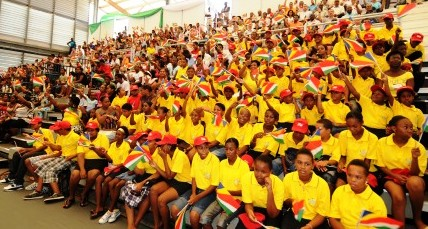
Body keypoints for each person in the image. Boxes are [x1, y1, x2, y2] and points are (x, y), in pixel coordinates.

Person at [375, 116, 427, 229]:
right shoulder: (382, 142)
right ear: (394, 128)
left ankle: (417, 220)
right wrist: (395, 176)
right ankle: (400, 226)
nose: (410, 130)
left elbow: (416, 173)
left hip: (411, 176)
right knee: (398, 197)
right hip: (389, 175)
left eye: (411, 127)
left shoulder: (418, 146)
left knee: (415, 183)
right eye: (406, 127)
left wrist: (415, 158)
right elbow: (380, 165)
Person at [170, 136, 220, 229]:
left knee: (193, 215)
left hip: (209, 192)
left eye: (206, 147)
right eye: (201, 148)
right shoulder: (196, 157)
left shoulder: (214, 160)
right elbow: (193, 177)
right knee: (174, 209)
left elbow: (213, 185)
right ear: (196, 149)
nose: (204, 151)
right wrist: (193, 193)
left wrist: (196, 197)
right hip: (196, 189)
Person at [23, 121, 80, 202]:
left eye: (58, 130)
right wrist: (49, 143)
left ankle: (57, 193)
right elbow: (57, 148)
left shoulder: (75, 137)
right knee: (41, 166)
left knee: (50, 170)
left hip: (71, 160)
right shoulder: (61, 136)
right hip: (62, 157)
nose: (56, 131)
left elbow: (82, 151)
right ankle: (39, 190)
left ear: (63, 129)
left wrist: (72, 156)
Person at [200, 138, 250, 228]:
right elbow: (217, 183)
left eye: (231, 149)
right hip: (221, 198)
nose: (228, 152)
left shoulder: (244, 166)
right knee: (204, 219)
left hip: (236, 201)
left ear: (237, 150)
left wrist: (227, 194)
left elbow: (245, 191)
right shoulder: (222, 163)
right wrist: (221, 195)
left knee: (221, 223)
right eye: (226, 149)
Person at [62, 122, 110, 209]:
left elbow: (103, 155)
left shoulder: (103, 138)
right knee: (74, 174)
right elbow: (80, 154)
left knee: (93, 174)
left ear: (97, 131)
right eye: (88, 130)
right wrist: (82, 169)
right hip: (85, 161)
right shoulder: (83, 138)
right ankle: (71, 197)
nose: (90, 132)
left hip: (99, 161)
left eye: (92, 130)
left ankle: (84, 193)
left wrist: (94, 149)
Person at [329, 159, 387, 229]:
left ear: (367, 179)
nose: (353, 179)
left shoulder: (377, 202)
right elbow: (333, 218)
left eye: (358, 177)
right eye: (349, 175)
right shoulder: (339, 191)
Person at [282, 149, 330, 229]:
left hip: (315, 220)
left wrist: (309, 226)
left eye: (307, 164)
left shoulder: (322, 185)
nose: (302, 167)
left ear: (312, 165)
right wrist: (292, 201)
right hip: (296, 215)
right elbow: (284, 200)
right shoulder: (288, 178)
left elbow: (322, 214)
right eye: (299, 162)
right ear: (295, 163)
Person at [2, 117, 54, 191]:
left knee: (25, 157)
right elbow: (36, 147)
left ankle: (18, 183)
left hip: (47, 151)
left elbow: (45, 146)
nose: (32, 125)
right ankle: (11, 177)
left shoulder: (46, 131)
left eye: (34, 124)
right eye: (31, 124)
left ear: (40, 124)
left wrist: (31, 152)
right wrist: (26, 149)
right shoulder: (35, 133)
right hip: (39, 150)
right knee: (17, 153)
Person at [92, 126, 130, 222]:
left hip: (120, 168)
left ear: (124, 136)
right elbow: (110, 159)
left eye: (119, 134)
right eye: (116, 134)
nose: (117, 136)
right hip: (112, 168)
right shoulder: (112, 145)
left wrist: (114, 168)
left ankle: (106, 206)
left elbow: (124, 164)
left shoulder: (126, 146)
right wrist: (105, 153)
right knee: (98, 179)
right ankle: (99, 205)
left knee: (107, 181)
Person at [238, 155, 284, 228]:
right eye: (256, 170)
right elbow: (248, 203)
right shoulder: (246, 177)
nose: (259, 175)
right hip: (252, 207)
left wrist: (269, 190)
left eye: (263, 172)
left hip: (271, 210)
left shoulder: (279, 184)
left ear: (270, 172)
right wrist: (250, 213)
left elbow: (273, 214)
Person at [336, 111, 378, 187]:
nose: (351, 129)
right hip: (347, 169)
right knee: (339, 186)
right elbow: (343, 157)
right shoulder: (343, 135)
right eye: (348, 126)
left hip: (366, 170)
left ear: (362, 122)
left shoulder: (372, 138)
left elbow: (367, 163)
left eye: (355, 126)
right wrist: (341, 163)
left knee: (359, 188)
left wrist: (356, 175)